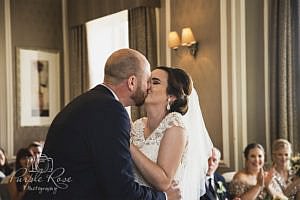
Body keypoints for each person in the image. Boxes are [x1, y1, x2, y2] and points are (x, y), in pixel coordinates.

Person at [23, 48, 180, 200]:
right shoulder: (112, 111)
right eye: (147, 81)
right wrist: (164, 197)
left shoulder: (88, 102)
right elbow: (121, 191)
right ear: (132, 82)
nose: (148, 87)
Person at [130, 66, 213, 200]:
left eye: (155, 82)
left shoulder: (175, 125)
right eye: (148, 81)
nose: (147, 86)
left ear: (171, 96)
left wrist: (129, 147)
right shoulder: (138, 125)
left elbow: (164, 182)